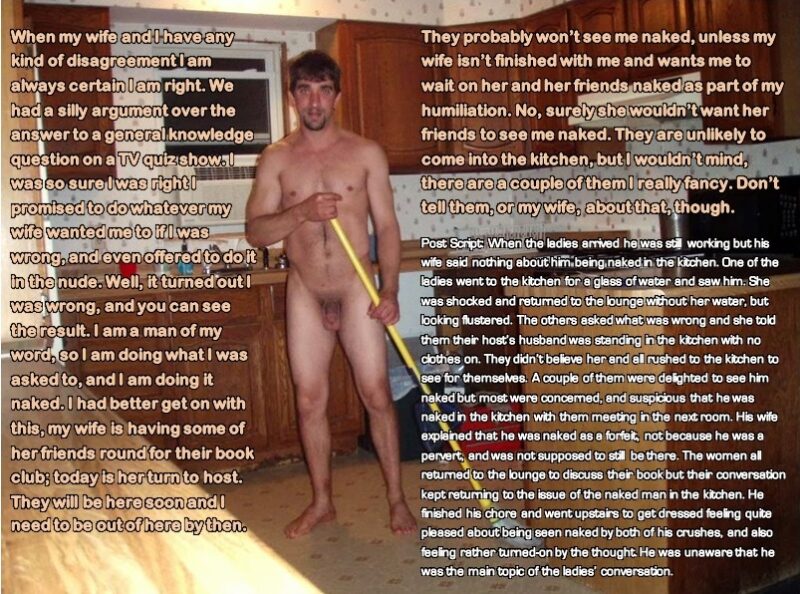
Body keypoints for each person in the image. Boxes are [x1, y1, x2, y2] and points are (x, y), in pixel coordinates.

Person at [245, 50, 416, 538]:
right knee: (309, 400)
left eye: (324, 90)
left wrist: (389, 288)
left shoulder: (366, 154)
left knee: (376, 394)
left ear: (337, 96)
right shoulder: (276, 158)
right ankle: (322, 502)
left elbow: (387, 227)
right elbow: (256, 232)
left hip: (355, 286)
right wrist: (301, 213)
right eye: (305, 90)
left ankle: (397, 499)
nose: (315, 101)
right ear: (293, 98)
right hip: (305, 288)